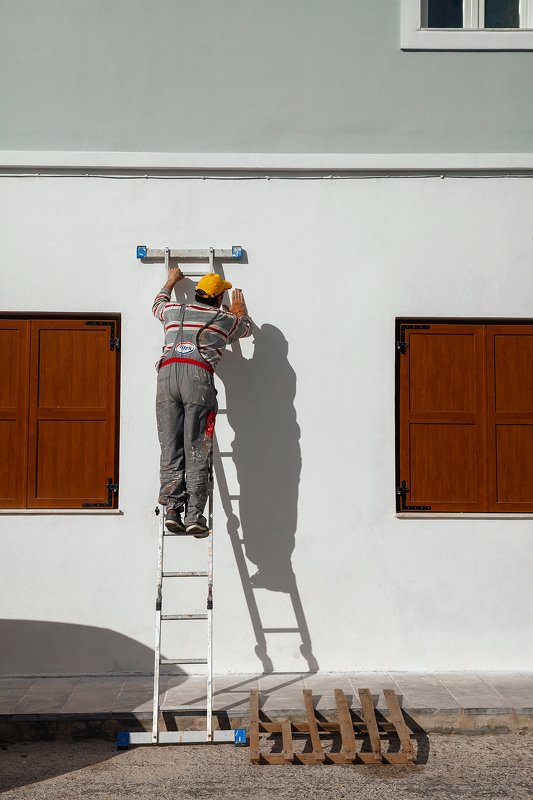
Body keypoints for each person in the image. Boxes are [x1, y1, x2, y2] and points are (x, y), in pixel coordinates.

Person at [153, 267, 252, 537]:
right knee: (196, 447)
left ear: (197, 294)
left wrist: (171, 281)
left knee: (170, 447)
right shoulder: (223, 318)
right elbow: (245, 330)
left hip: (166, 379)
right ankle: (194, 516)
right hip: (197, 381)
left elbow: (157, 304)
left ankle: (172, 509)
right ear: (219, 298)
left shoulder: (172, 310)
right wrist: (239, 313)